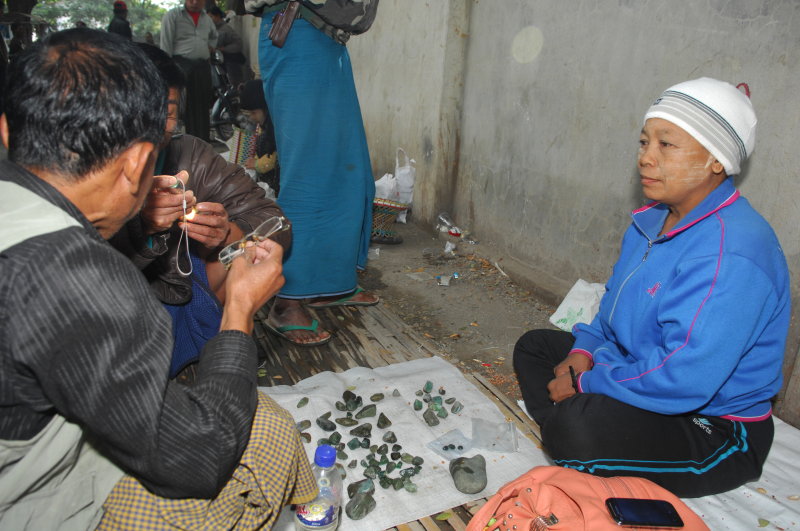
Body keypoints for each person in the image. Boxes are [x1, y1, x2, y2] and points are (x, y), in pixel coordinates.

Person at [0, 28, 314, 529]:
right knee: (267, 434)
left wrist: (226, 234)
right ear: (138, 164)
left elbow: (268, 219)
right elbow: (201, 455)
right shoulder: (80, 277)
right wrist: (239, 310)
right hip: (26, 504)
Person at [514, 78, 790, 498]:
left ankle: (573, 432)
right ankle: (582, 431)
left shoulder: (732, 253)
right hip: (639, 367)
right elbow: (610, 311)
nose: (646, 157)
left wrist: (586, 384)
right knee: (535, 347)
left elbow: (684, 378)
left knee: (574, 428)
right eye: (644, 142)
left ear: (716, 160)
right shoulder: (651, 222)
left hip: (714, 427)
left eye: (666, 145)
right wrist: (583, 353)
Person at [112, 42, 290, 378]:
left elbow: (275, 220)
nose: (153, 129)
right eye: (137, 114)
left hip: (177, 297)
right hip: (114, 319)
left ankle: (219, 340)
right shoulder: (87, 172)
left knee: (242, 250)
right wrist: (141, 226)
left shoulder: (190, 155)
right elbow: (86, 273)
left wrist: (227, 234)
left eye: (166, 112)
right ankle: (229, 340)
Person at [245, 0, 381, 346]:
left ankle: (330, 284)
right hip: (296, 31)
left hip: (326, 39)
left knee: (346, 168)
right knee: (308, 173)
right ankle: (286, 299)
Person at [160, 0, 217, 141]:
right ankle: (190, 142)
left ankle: (203, 141)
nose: (195, 2)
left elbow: (214, 36)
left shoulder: (206, 19)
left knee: (203, 106)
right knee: (186, 107)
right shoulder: (173, 16)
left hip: (202, 66)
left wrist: (210, 47)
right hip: (182, 65)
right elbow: (166, 43)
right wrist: (166, 67)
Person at [239, 78, 280, 195]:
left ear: (266, 108)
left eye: (254, 113)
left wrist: (257, 164)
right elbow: (260, 148)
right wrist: (254, 160)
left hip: (276, 182)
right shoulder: (262, 125)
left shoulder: (275, 127)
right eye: (249, 114)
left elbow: (274, 157)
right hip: (266, 179)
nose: (251, 117)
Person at [208, 5, 245, 88]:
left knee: (236, 86)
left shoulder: (226, 29)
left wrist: (223, 49)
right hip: (221, 64)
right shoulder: (213, 30)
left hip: (232, 62)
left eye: (211, 17)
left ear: (217, 16)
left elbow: (239, 44)